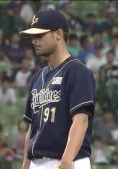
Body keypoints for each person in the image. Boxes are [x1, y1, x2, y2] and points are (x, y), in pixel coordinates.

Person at [19, 9, 95, 169]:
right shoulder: (38, 78)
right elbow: (32, 129)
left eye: (40, 35)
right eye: (33, 36)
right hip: (37, 162)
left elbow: (81, 120)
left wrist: (67, 160)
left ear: (58, 34)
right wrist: (25, 166)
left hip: (67, 160)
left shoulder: (76, 70)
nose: (34, 41)